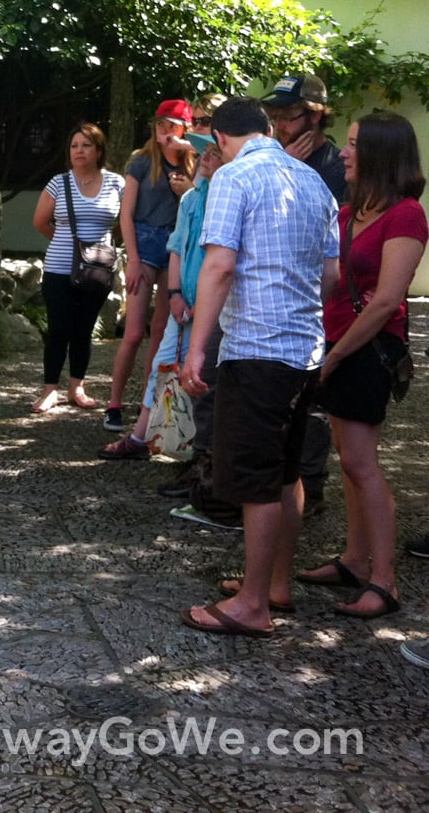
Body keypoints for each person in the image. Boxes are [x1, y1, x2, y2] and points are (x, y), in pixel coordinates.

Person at [179, 97, 338, 638]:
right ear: (268, 128)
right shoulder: (313, 180)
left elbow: (219, 266)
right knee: (288, 472)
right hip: (304, 349)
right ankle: (275, 583)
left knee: (254, 481)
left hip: (256, 348)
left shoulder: (232, 177)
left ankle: (252, 606)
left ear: (221, 138)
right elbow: (331, 275)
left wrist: (196, 348)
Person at [296, 112, 426, 618]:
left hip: (365, 351)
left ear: (380, 154)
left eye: (353, 145)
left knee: (360, 462)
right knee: (346, 457)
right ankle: (353, 560)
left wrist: (334, 356)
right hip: (333, 345)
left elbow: (385, 301)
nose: (344, 153)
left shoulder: (406, 215)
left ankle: (385, 580)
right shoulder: (350, 214)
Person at [100, 135, 223, 460]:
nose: (206, 157)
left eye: (214, 152)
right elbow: (177, 249)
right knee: (161, 364)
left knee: (203, 376)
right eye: (204, 151)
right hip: (183, 301)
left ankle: (197, 451)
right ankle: (142, 438)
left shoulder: (228, 199)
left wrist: (205, 300)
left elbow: (224, 258)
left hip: (214, 306)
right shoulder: (192, 199)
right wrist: (175, 294)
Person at [263, 74, 348, 518]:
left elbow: (325, 239)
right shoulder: (277, 155)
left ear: (315, 116)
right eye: (274, 115)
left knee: (311, 400)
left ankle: (309, 486)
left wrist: (292, 175)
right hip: (277, 295)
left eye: (288, 115)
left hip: (319, 298)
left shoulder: (334, 167)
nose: (279, 124)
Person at [103, 99, 197, 432]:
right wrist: (132, 260)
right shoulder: (142, 161)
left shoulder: (193, 163)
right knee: (132, 333)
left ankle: (150, 405)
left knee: (160, 332)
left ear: (185, 128)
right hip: (143, 242)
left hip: (175, 246)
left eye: (172, 125)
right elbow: (125, 214)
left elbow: (197, 207)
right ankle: (114, 404)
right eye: (160, 124)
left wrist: (187, 188)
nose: (164, 131)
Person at [30, 123, 126, 413]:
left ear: (99, 150)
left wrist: (102, 247)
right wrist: (71, 247)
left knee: (83, 329)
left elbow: (125, 221)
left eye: (86, 145)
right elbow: (40, 222)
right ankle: (50, 390)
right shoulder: (58, 183)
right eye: (74, 146)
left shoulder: (116, 183)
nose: (79, 151)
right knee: (59, 328)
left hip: (97, 268)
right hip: (59, 267)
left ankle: (77, 387)